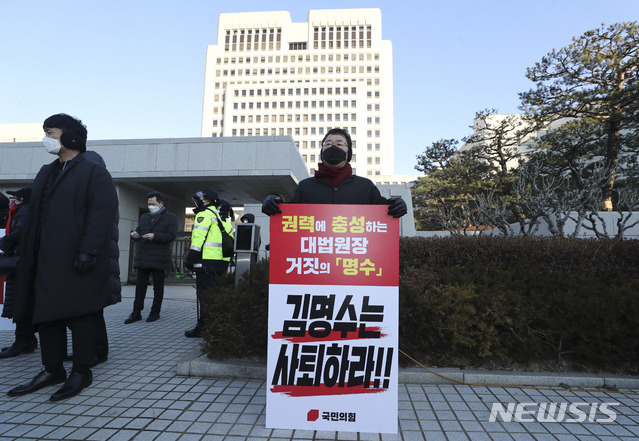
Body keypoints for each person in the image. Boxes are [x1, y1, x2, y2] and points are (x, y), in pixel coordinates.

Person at [7, 113, 118, 402]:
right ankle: (52, 369)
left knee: (80, 315)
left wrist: (88, 250)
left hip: (77, 257)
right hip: (44, 259)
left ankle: (81, 371)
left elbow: (102, 214)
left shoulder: (93, 171)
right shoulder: (47, 171)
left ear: (69, 136)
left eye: (50, 132)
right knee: (46, 316)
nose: (46, 138)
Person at [262, 127, 408, 216]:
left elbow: (384, 211)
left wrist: (397, 204)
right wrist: (273, 202)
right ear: (322, 151)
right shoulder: (305, 187)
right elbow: (287, 215)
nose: (333, 147)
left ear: (348, 152)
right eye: (328, 144)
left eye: (339, 144)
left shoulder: (365, 186)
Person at [183, 189, 234, 338]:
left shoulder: (204, 214)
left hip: (206, 262)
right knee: (216, 296)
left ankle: (205, 329)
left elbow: (198, 239)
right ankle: (214, 327)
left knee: (206, 297)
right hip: (220, 263)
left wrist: (191, 259)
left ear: (206, 201)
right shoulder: (220, 216)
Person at [124, 191, 178, 324]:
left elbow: (171, 235)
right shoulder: (144, 217)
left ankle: (155, 312)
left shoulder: (170, 218)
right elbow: (139, 231)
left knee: (158, 287)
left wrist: (155, 236)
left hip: (159, 257)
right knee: (140, 286)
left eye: (153, 204)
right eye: (148, 204)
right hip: (143, 256)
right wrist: (135, 235)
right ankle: (136, 313)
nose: (150, 206)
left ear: (161, 203)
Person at [0, 187, 37, 359]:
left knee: (20, 303)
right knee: (23, 303)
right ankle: (26, 340)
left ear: (22, 200)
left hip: (20, 264)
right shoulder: (26, 211)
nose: (11, 202)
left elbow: (19, 234)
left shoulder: (24, 212)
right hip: (24, 264)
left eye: (14, 199)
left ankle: (22, 342)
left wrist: (3, 242)